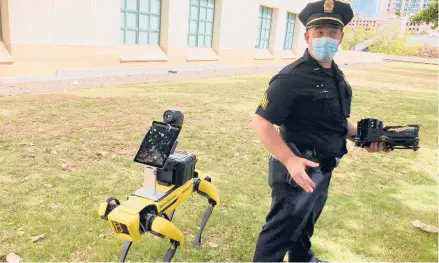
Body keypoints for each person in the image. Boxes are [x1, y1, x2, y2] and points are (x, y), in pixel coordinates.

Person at [251, 0, 387, 262]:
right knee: (278, 235)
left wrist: (363, 136)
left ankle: (304, 259)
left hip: (324, 167)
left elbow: (336, 122)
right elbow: (261, 121)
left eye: (332, 33)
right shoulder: (292, 78)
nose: (326, 38)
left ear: (341, 37)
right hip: (298, 171)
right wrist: (289, 160)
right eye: (319, 32)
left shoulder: (335, 75)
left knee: (304, 226)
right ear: (307, 36)